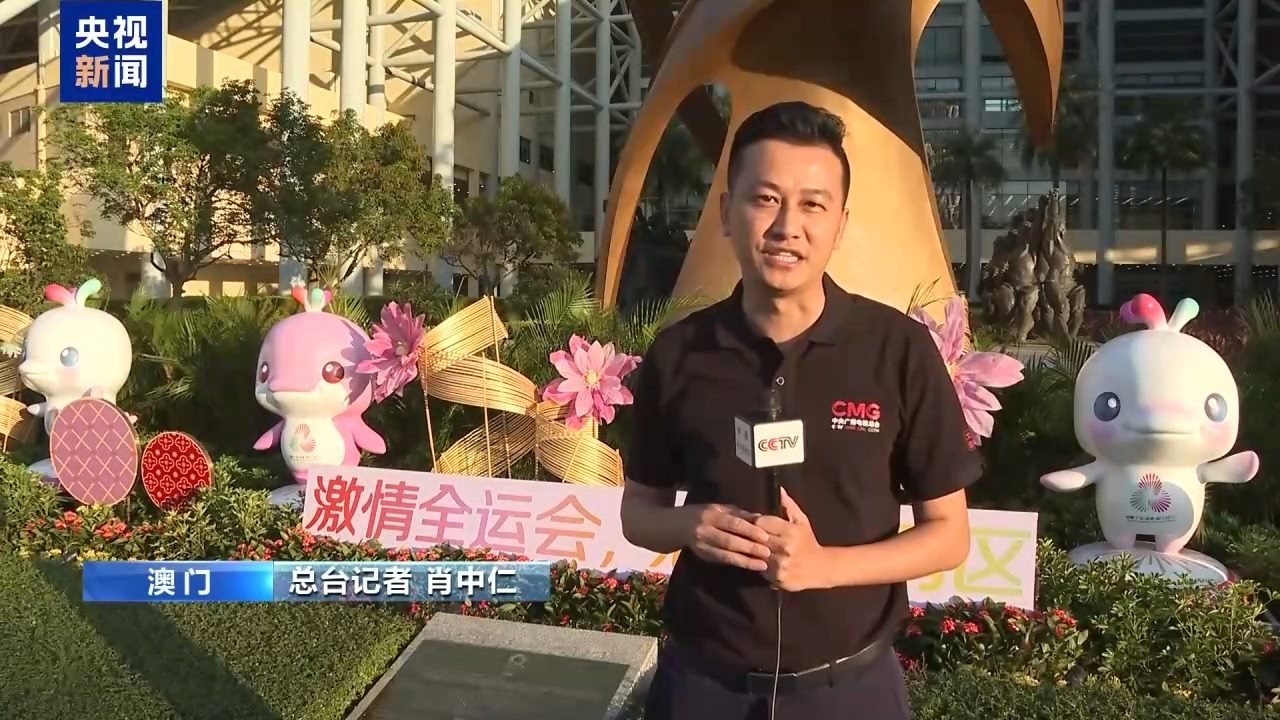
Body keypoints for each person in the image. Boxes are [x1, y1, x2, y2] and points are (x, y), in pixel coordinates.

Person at [619, 101, 982, 720]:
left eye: (813, 204)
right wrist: (690, 525)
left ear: (840, 223)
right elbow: (638, 514)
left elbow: (948, 534)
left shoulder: (896, 349)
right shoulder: (681, 352)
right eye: (765, 199)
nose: (787, 226)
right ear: (727, 213)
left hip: (851, 687)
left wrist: (824, 566)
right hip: (704, 685)